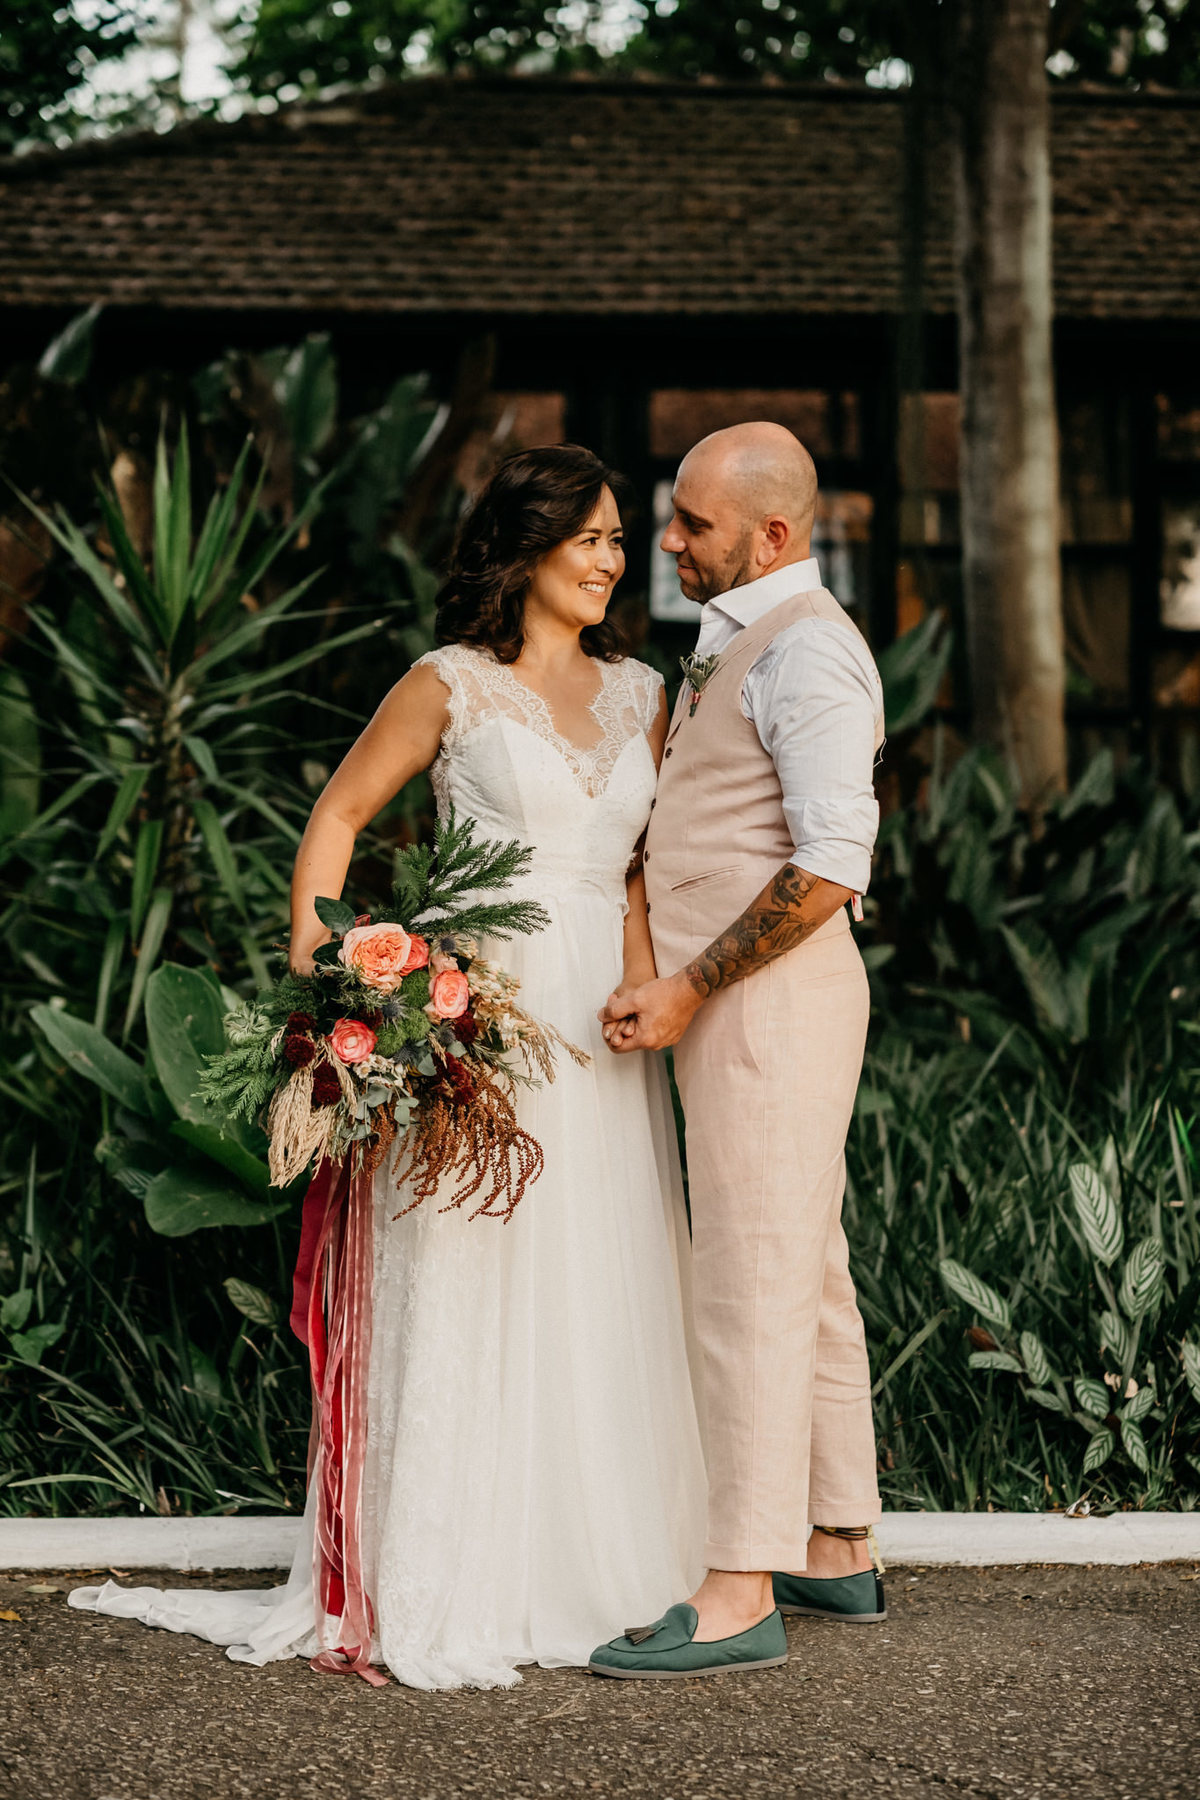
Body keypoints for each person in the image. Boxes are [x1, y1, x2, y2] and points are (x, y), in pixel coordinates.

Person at [70, 445, 706, 1690]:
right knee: (481, 1269)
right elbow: (339, 819)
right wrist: (334, 977)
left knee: (605, 1274)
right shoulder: (449, 684)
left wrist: (643, 977)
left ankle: (614, 1565)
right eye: (586, 537)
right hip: (486, 1021)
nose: (610, 560)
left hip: (608, 1026)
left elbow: (634, 868)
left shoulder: (645, 694)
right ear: (521, 550)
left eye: (621, 540)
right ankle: (459, 1567)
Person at [589, 423, 886, 1681]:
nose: (666, 541)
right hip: (749, 998)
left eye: (692, 524)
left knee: (750, 1282)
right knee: (802, 1264)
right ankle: (833, 1542)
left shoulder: (811, 651)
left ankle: (735, 1588)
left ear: (771, 534)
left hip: (765, 998)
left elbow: (830, 867)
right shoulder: (742, 644)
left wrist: (686, 988)